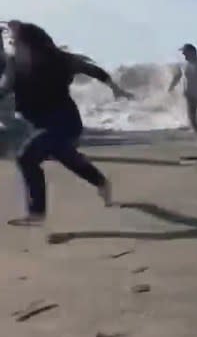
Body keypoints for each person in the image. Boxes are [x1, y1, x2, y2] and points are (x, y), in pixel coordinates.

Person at [0, 20, 133, 226]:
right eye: (11, 42)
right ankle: (102, 183)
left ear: (32, 43)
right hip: (37, 124)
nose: (12, 46)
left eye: (16, 42)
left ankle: (37, 213)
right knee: (68, 159)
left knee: (27, 158)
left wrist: (116, 88)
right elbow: (4, 89)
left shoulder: (59, 60)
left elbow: (93, 70)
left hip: (64, 122)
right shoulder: (14, 64)